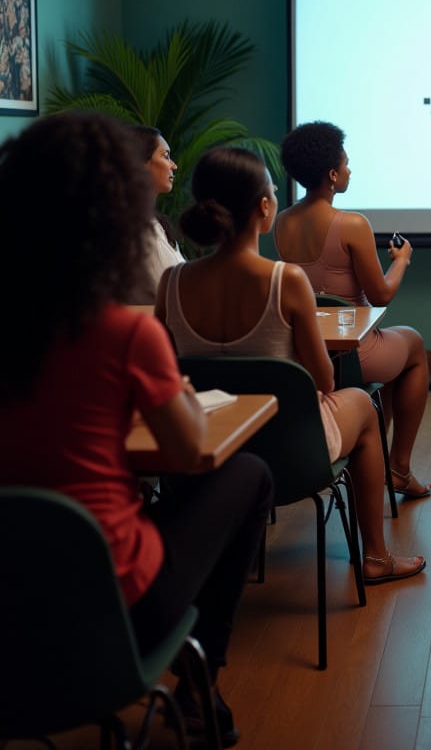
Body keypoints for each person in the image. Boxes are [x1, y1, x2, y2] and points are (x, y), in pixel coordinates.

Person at [0, 113, 273, 748]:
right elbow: (186, 452)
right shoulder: (126, 334)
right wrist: (173, 386)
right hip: (112, 611)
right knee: (250, 474)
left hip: (8, 613)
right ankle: (202, 689)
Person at [156, 145, 426, 586]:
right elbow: (321, 379)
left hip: (203, 446)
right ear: (264, 208)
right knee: (360, 402)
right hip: (288, 450)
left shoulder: (171, 283)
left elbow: (159, 374)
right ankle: (375, 556)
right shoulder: (284, 281)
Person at [274, 121, 431, 499]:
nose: (349, 170)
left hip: (305, 356)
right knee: (414, 345)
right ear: (331, 175)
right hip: (354, 354)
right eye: (345, 164)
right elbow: (380, 296)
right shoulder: (352, 224)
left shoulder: (281, 222)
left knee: (399, 353)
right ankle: (398, 468)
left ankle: (376, 452)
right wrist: (402, 260)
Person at [130, 125, 185, 304]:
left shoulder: (154, 223)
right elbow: (172, 294)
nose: (173, 166)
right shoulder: (139, 227)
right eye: (166, 156)